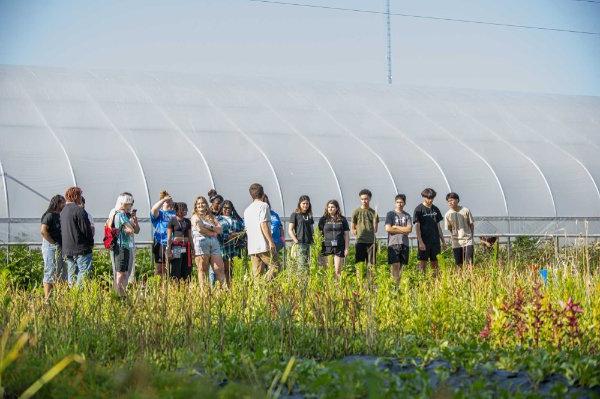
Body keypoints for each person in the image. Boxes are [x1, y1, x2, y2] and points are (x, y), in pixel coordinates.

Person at [243, 183, 279, 279]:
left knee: (257, 275)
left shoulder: (247, 210)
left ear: (251, 195)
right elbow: (264, 224)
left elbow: (246, 229)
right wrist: (270, 242)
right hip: (263, 244)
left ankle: (258, 291)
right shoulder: (264, 206)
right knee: (275, 267)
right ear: (263, 193)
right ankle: (265, 284)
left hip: (252, 246)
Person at [60, 187, 94, 286]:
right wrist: (90, 243)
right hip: (81, 248)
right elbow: (86, 230)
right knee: (83, 272)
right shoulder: (79, 210)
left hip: (67, 249)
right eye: (80, 196)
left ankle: (72, 296)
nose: (81, 198)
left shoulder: (63, 212)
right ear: (75, 196)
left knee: (72, 274)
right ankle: (78, 296)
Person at [191, 196, 227, 287]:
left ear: (206, 205)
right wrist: (212, 233)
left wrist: (208, 227)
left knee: (219, 268)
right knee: (203, 269)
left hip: (214, 244)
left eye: (203, 203)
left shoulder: (211, 217)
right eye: (198, 203)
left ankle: (225, 290)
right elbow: (199, 229)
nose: (200, 205)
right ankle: (204, 293)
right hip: (201, 243)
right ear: (196, 206)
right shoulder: (195, 216)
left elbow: (220, 230)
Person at [107, 193, 139, 295]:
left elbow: (135, 230)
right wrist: (129, 226)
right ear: (124, 204)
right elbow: (130, 231)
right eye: (130, 204)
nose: (131, 206)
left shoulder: (124, 215)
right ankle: (118, 294)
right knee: (120, 273)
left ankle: (122, 294)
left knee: (124, 273)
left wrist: (133, 221)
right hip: (121, 246)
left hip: (125, 246)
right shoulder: (120, 215)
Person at [413, 188, 446, 274]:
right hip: (424, 241)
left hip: (435, 241)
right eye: (428, 198)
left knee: (435, 263)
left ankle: (435, 283)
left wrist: (443, 241)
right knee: (422, 263)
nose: (430, 200)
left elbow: (438, 226)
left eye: (432, 198)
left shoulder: (435, 209)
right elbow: (417, 227)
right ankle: (422, 282)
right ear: (424, 197)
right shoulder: (418, 209)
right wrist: (420, 242)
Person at [40, 194, 66, 299]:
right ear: (58, 203)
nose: (65, 204)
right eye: (63, 202)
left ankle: (57, 297)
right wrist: (53, 243)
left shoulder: (61, 215)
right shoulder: (49, 215)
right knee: (50, 271)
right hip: (50, 246)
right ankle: (47, 299)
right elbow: (43, 231)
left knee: (59, 272)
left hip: (59, 246)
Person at [318, 199, 350, 278]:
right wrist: (318, 247)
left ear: (337, 208)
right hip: (327, 247)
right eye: (329, 207)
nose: (330, 209)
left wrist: (346, 248)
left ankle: (337, 288)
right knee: (328, 270)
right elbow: (319, 234)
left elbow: (346, 234)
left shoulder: (342, 219)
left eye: (332, 207)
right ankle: (328, 289)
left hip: (339, 246)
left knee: (337, 270)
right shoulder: (323, 219)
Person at [385, 194, 412, 283]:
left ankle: (399, 284)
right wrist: (403, 230)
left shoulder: (407, 215)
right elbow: (388, 229)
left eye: (401, 202)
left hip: (404, 243)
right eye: (397, 202)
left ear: (404, 203)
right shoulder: (390, 214)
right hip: (393, 243)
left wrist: (396, 227)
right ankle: (394, 283)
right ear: (395, 203)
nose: (399, 204)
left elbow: (409, 229)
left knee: (402, 266)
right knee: (395, 264)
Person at [216, 200, 245, 285]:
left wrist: (237, 235)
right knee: (223, 270)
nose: (227, 209)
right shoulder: (217, 219)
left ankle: (231, 287)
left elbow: (243, 232)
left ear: (232, 209)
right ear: (221, 208)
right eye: (225, 208)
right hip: (223, 248)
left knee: (232, 270)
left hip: (235, 248)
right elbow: (217, 233)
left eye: (229, 208)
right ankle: (223, 288)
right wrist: (228, 236)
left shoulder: (237, 220)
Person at [444, 192, 475, 267]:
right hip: (456, 242)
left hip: (468, 240)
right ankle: (460, 278)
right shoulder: (448, 214)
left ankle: (470, 277)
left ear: (457, 200)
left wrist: (471, 236)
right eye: (448, 201)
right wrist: (454, 235)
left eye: (451, 200)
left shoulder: (465, 210)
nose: (450, 202)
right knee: (459, 264)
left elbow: (471, 224)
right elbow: (450, 228)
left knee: (469, 262)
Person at [150, 190, 176, 276]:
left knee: (175, 266)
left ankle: (172, 287)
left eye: (170, 201)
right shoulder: (160, 213)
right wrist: (164, 199)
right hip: (161, 243)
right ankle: (159, 286)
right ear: (162, 204)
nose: (169, 203)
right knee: (160, 268)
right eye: (166, 202)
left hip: (175, 244)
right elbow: (154, 209)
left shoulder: (175, 213)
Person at [351, 189, 379, 266]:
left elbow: (375, 230)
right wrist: (355, 232)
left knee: (371, 264)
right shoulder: (356, 211)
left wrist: (374, 222)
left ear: (369, 199)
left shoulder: (373, 212)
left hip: (371, 241)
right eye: (362, 199)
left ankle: (370, 278)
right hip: (360, 241)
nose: (364, 201)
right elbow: (352, 228)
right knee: (359, 264)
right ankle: (359, 278)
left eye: (366, 199)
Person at [166, 202, 193, 280]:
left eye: (186, 209)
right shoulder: (172, 220)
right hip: (176, 247)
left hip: (187, 247)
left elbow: (190, 236)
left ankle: (185, 287)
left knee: (187, 268)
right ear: (177, 210)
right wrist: (168, 249)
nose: (185, 211)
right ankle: (175, 287)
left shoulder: (187, 221)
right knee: (176, 267)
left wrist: (193, 248)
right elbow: (169, 237)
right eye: (183, 209)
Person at [288, 195, 314, 268]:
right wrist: (296, 241)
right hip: (300, 243)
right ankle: (301, 279)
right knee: (301, 265)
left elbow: (312, 230)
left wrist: (314, 240)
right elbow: (290, 230)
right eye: (303, 203)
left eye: (307, 203)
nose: (305, 205)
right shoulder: (295, 215)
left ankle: (308, 279)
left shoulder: (309, 215)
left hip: (310, 243)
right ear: (300, 204)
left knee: (310, 265)